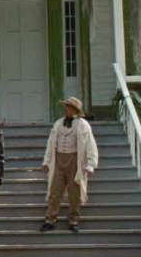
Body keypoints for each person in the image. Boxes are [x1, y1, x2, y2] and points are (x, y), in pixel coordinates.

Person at [41, 97, 99, 233]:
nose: (65, 109)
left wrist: (91, 164)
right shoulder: (58, 123)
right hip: (58, 161)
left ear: (74, 109)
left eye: (68, 107)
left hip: (74, 161)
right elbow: (50, 144)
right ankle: (50, 220)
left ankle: (73, 220)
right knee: (55, 192)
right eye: (65, 106)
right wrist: (46, 161)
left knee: (74, 193)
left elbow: (90, 145)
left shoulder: (83, 125)